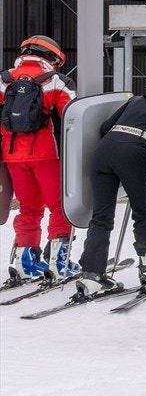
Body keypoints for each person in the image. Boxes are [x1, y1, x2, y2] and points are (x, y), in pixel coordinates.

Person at [76, 83, 146, 296]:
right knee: (142, 212)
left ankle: (92, 275)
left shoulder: (135, 100)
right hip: (134, 153)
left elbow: (104, 127)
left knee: (100, 217)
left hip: (103, 152)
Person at [1, 34, 77, 284]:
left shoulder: (4, 80)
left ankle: (25, 261)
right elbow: (73, 116)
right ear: (53, 58)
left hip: (11, 156)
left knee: (28, 207)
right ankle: (59, 262)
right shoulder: (55, 81)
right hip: (46, 154)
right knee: (59, 206)